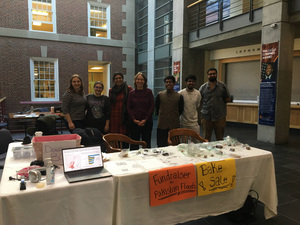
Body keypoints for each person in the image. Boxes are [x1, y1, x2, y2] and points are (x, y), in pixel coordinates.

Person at [199, 68, 231, 141]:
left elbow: (228, 98)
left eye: (214, 73)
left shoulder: (222, 86)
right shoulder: (203, 87)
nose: (212, 75)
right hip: (206, 117)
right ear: (207, 75)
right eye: (210, 74)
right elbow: (199, 100)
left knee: (220, 139)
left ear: (216, 74)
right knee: (206, 139)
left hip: (219, 117)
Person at [127, 72, 154, 150]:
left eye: (142, 79)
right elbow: (129, 108)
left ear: (144, 81)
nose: (140, 81)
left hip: (147, 122)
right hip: (134, 122)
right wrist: (134, 119)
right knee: (134, 143)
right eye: (138, 79)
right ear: (135, 81)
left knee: (146, 143)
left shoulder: (149, 92)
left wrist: (145, 119)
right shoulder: (131, 93)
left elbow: (152, 106)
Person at [156, 75, 184, 147]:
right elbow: (157, 108)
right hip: (162, 124)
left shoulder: (179, 96)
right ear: (164, 84)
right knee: (161, 145)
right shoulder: (160, 95)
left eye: (170, 82)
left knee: (174, 146)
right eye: (166, 82)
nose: (168, 84)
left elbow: (180, 110)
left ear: (174, 84)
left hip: (174, 124)